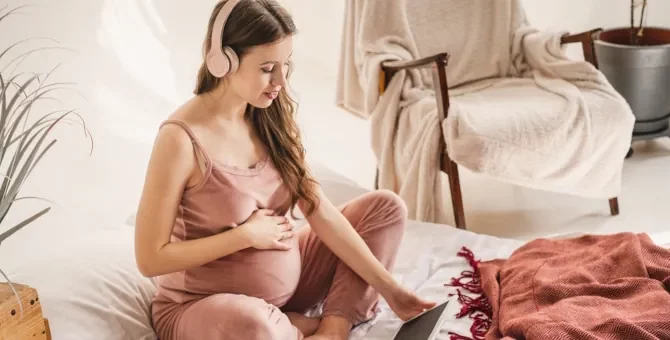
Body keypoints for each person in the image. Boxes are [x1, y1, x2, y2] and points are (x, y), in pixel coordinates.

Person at [133, 1, 436, 339]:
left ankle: (330, 330)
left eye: (285, 65)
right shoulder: (179, 139)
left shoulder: (269, 116)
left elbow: (319, 210)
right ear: (223, 60)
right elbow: (150, 259)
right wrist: (243, 236)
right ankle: (289, 326)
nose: (280, 81)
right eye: (266, 68)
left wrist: (392, 290)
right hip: (203, 308)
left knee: (385, 207)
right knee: (253, 324)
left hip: (291, 288)